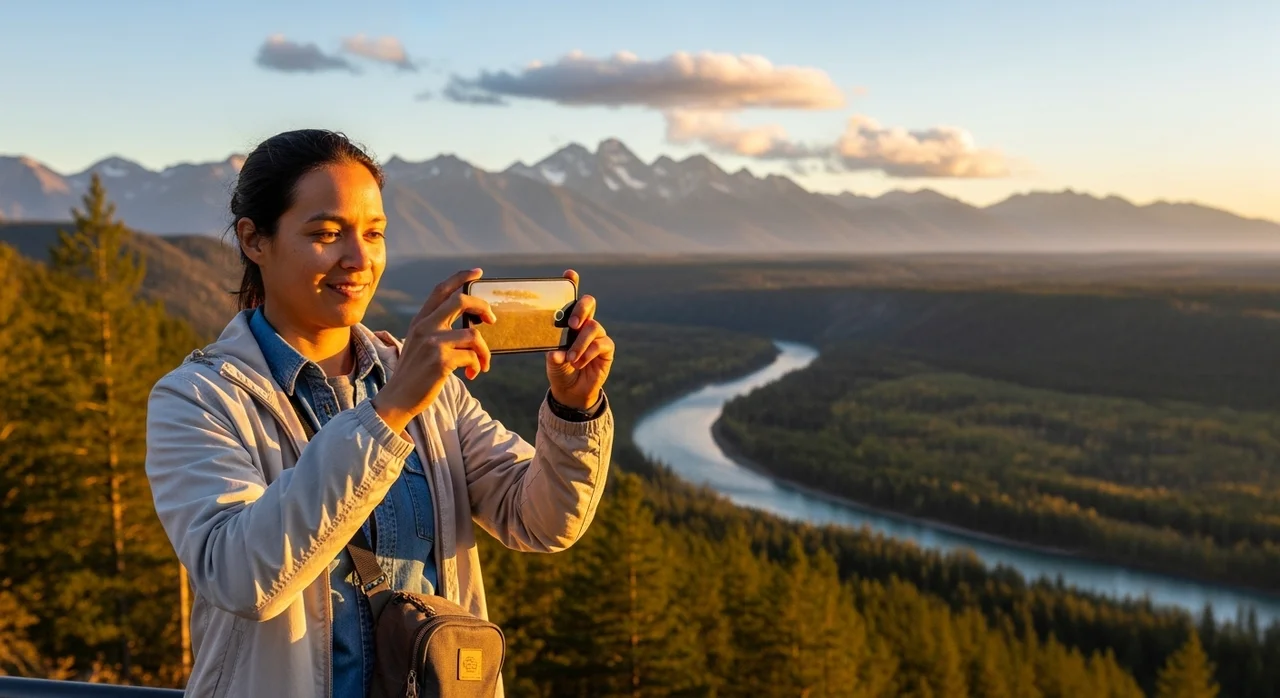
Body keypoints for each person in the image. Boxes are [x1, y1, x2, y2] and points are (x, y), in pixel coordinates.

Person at [145, 129, 615, 698]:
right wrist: (389, 411)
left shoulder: (427, 386)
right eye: (325, 233)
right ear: (254, 240)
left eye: (374, 233)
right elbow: (241, 577)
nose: (359, 258)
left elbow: (541, 521)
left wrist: (573, 407)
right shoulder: (198, 399)